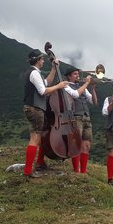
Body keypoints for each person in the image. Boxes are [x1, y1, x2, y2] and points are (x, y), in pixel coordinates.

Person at [22, 49, 69, 178]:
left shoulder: (35, 73)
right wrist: (59, 86)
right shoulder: (34, 73)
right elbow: (43, 91)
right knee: (35, 138)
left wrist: (54, 69)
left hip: (33, 107)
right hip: (35, 108)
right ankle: (28, 170)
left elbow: (46, 82)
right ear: (38, 60)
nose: (43, 61)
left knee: (37, 136)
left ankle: (38, 163)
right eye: (42, 59)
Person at [64, 67, 98, 174]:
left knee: (86, 145)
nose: (78, 76)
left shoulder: (82, 87)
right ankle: (76, 171)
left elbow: (93, 102)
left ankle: (83, 172)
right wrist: (87, 83)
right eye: (75, 74)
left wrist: (92, 88)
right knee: (76, 144)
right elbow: (75, 94)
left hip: (86, 117)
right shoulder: (65, 85)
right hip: (75, 117)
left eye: (78, 74)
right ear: (69, 76)